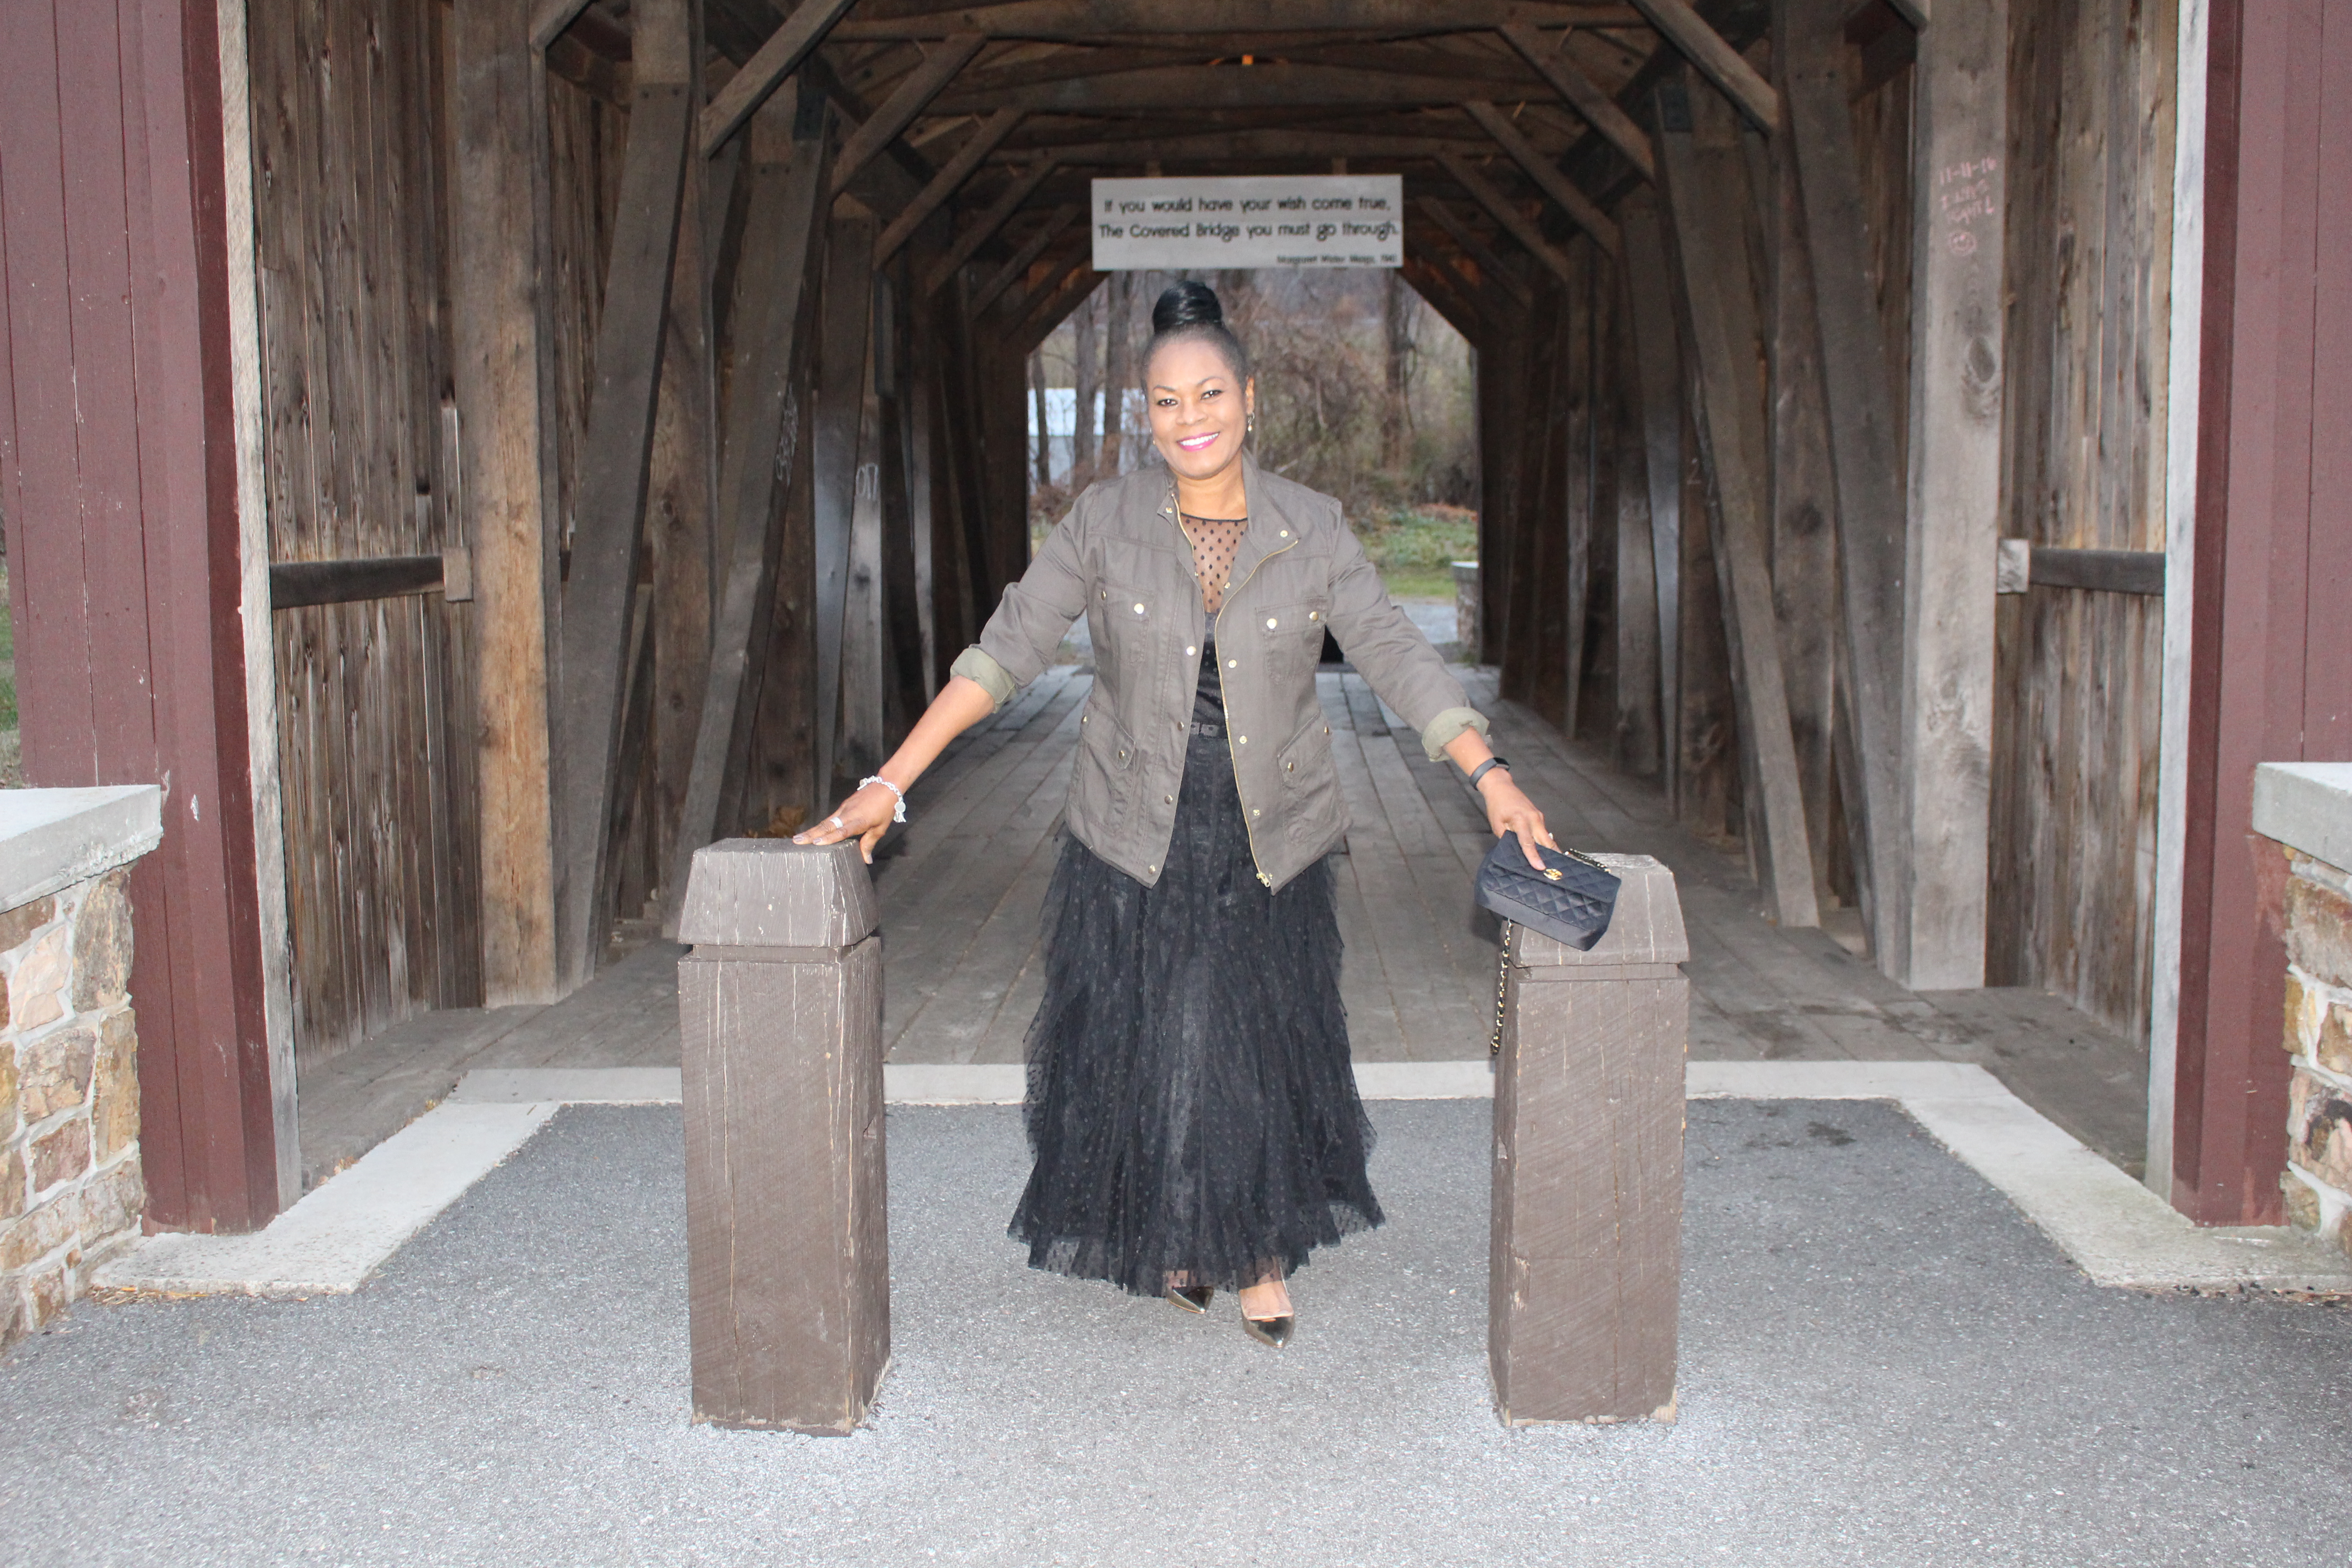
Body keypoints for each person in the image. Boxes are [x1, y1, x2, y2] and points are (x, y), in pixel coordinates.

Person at [797, 280, 1557, 1347]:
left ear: (1251, 400)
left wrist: (1492, 777)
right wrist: (893, 779)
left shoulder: (1314, 528)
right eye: (1164, 401)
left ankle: (1255, 1252)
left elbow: (1396, 653)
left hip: (1270, 825)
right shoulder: (1102, 524)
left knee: (1248, 1033)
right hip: (1132, 816)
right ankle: (1181, 1233)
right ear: (1143, 412)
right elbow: (1003, 651)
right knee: (1152, 1031)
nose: (1189, 418)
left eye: (1209, 394)